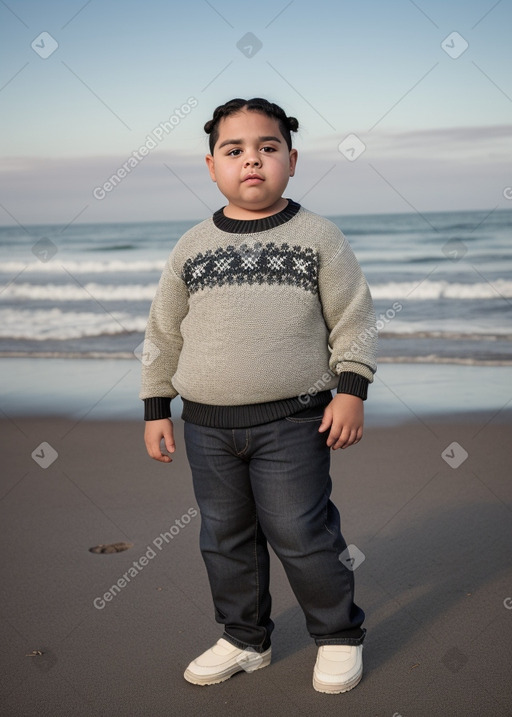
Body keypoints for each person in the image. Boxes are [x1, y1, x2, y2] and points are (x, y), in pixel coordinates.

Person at [140, 97, 377, 694]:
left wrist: (351, 390)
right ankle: (245, 639)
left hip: (294, 420)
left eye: (268, 148)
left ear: (292, 161)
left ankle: (339, 635)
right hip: (207, 426)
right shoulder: (192, 245)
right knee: (224, 538)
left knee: (300, 530)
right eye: (234, 150)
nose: (252, 161)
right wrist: (155, 406)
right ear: (211, 165)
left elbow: (353, 318)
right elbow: (163, 332)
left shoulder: (318, 235)